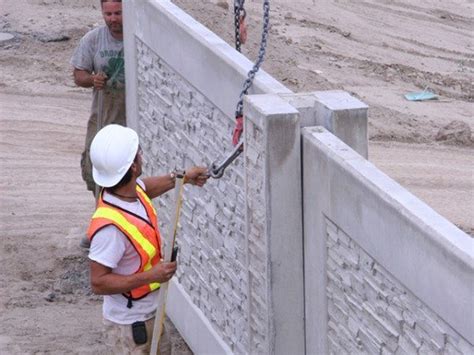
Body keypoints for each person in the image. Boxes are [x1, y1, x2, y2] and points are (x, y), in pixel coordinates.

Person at [87, 124, 209, 354]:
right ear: (133, 167)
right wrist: (151, 276)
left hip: (149, 316)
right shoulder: (110, 229)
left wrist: (182, 178)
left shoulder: (129, 191)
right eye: (138, 152)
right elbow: (98, 282)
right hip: (129, 329)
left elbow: (148, 187)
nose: (142, 154)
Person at [70, 0, 126, 194]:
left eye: (118, 13)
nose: (113, 19)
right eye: (108, 14)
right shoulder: (93, 39)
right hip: (102, 117)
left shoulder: (140, 39)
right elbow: (79, 75)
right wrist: (93, 80)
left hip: (130, 119)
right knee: (95, 167)